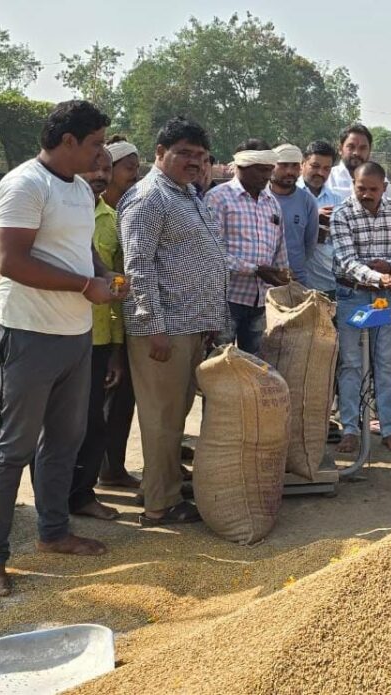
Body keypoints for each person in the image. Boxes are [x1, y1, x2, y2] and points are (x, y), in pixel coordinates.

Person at [0, 101, 120, 598]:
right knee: (12, 449)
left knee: (63, 441)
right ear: (68, 142)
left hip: (74, 335)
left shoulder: (79, 189)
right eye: (97, 142)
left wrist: (102, 274)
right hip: (29, 332)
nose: (102, 153)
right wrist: (85, 285)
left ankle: (53, 532)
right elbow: (11, 262)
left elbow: (85, 247)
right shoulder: (24, 185)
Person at [120, 116, 228, 528]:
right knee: (161, 418)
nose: (195, 162)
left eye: (201, 156)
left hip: (190, 324)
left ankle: (160, 486)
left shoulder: (186, 195)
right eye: (184, 153)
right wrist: (153, 327)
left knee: (174, 415)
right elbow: (138, 267)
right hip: (164, 330)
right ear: (160, 154)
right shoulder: (149, 198)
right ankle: (159, 507)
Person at [330, 161, 391, 455]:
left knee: (385, 364)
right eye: (361, 188)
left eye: (372, 189)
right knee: (351, 363)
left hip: (383, 299)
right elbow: (346, 260)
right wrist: (380, 276)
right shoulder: (341, 214)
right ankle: (350, 429)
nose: (366, 194)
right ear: (354, 185)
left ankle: (389, 428)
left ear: (384, 188)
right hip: (352, 295)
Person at [66, 150, 129, 521]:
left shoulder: (111, 220)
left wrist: (118, 350)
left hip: (100, 338)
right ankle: (55, 502)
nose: (100, 175)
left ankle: (82, 494)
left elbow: (115, 284)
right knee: (59, 427)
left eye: (107, 169)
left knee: (92, 423)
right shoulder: (59, 212)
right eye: (95, 167)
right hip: (60, 334)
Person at [204, 140, 290, 354]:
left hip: (261, 302)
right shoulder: (218, 198)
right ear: (242, 166)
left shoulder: (272, 202)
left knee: (254, 367)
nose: (266, 176)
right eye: (261, 170)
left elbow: (279, 248)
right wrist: (255, 269)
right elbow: (212, 253)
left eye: (270, 170)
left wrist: (282, 277)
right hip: (226, 300)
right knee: (218, 362)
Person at [96, 137, 142, 490]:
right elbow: (111, 281)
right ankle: (104, 469)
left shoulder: (123, 214)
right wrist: (114, 342)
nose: (135, 175)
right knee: (104, 404)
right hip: (102, 328)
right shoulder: (101, 219)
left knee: (123, 402)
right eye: (129, 168)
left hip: (124, 324)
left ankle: (113, 466)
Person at [299, 140, 345, 297]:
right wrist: (313, 218)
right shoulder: (288, 195)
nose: (320, 173)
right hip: (295, 284)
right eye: (315, 166)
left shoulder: (337, 200)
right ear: (303, 164)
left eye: (326, 168)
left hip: (328, 284)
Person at [268, 143, 319, 284]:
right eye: (283, 165)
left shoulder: (307, 201)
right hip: (262, 281)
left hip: (296, 280)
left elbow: (310, 244)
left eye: (295, 166)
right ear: (272, 166)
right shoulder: (260, 197)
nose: (289, 171)